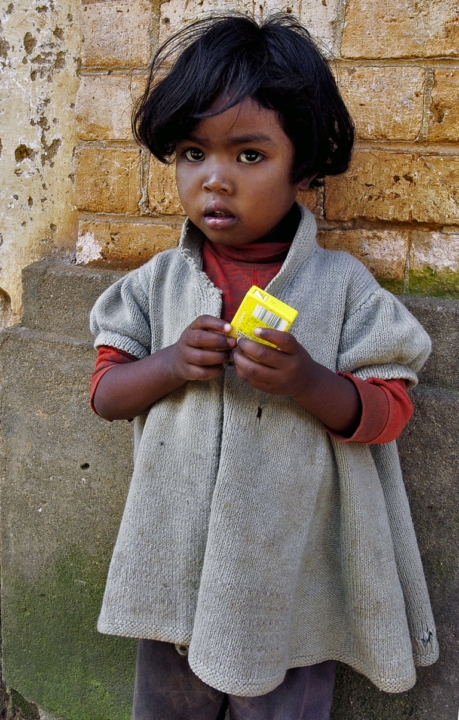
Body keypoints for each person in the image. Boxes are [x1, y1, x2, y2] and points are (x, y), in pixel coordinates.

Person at [89, 14, 438, 720]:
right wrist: (170, 364)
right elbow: (106, 393)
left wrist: (309, 382)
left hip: (289, 585)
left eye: (249, 155)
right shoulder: (157, 283)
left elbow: (389, 411)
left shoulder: (342, 288)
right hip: (176, 573)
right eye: (193, 153)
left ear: (302, 168)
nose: (215, 180)